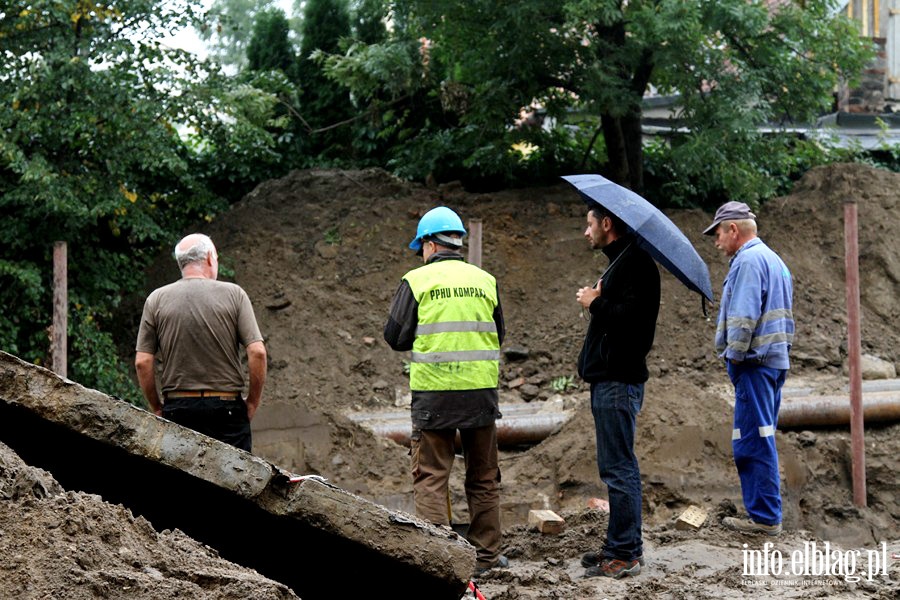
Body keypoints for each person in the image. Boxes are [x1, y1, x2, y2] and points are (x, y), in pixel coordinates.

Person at [383, 206, 507, 578]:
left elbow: (395, 337)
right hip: (480, 394)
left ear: (430, 244)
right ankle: (486, 557)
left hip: (435, 395)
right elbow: (498, 333)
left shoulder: (417, 281)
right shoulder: (485, 280)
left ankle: (441, 563)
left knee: (432, 477)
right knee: (484, 476)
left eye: (419, 246)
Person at [575, 203, 660, 579]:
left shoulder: (637, 264)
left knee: (619, 468)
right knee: (616, 466)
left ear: (607, 224)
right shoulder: (622, 262)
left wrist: (596, 303)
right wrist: (601, 299)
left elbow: (632, 323)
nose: (585, 231)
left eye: (589, 223)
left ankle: (625, 554)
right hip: (610, 381)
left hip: (618, 381)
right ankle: (620, 547)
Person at [703, 201, 794, 536]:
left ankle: (765, 519)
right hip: (773, 361)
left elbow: (743, 317)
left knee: (752, 440)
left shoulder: (748, 261)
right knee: (762, 435)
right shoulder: (775, 260)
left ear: (733, 230)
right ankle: (766, 515)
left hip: (754, 364)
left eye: (717, 234)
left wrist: (734, 356)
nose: (716, 242)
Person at [135, 233, 267, 452]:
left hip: (178, 408)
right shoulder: (234, 295)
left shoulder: (156, 299)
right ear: (209, 258)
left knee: (182, 483)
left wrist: (157, 407)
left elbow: (142, 362)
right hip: (227, 409)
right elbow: (258, 353)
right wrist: (252, 402)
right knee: (233, 483)